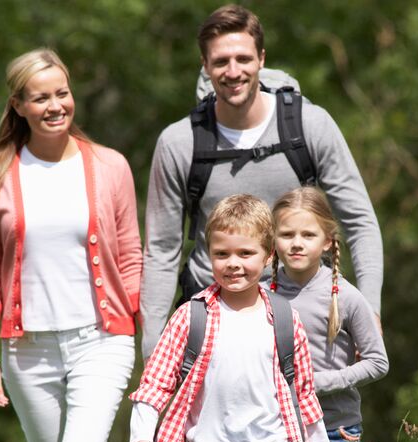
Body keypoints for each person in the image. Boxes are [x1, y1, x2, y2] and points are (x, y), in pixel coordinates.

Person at [0, 48, 142, 442]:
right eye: (41, 97)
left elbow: (133, 256)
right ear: (19, 105)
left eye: (62, 93)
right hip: (26, 349)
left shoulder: (109, 165)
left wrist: (145, 333)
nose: (55, 105)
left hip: (102, 339)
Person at [140, 3, 383, 359]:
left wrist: (369, 311)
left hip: (304, 316)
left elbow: (359, 222)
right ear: (205, 67)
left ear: (262, 59)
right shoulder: (179, 143)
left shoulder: (309, 126)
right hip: (215, 319)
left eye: (243, 59)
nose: (233, 71)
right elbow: (161, 250)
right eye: (221, 62)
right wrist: (153, 348)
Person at [129, 194, 335, 442]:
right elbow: (154, 384)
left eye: (246, 252)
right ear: (209, 256)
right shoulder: (192, 316)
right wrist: (141, 438)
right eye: (222, 253)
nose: (234, 263)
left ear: (268, 255)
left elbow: (303, 393)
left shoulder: (283, 317)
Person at [270, 186, 389, 442]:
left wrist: (320, 382)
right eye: (287, 235)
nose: (297, 244)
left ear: (327, 241)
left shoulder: (346, 296)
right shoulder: (261, 294)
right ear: (273, 240)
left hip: (335, 429)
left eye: (308, 235)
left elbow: (377, 362)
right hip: (275, 431)